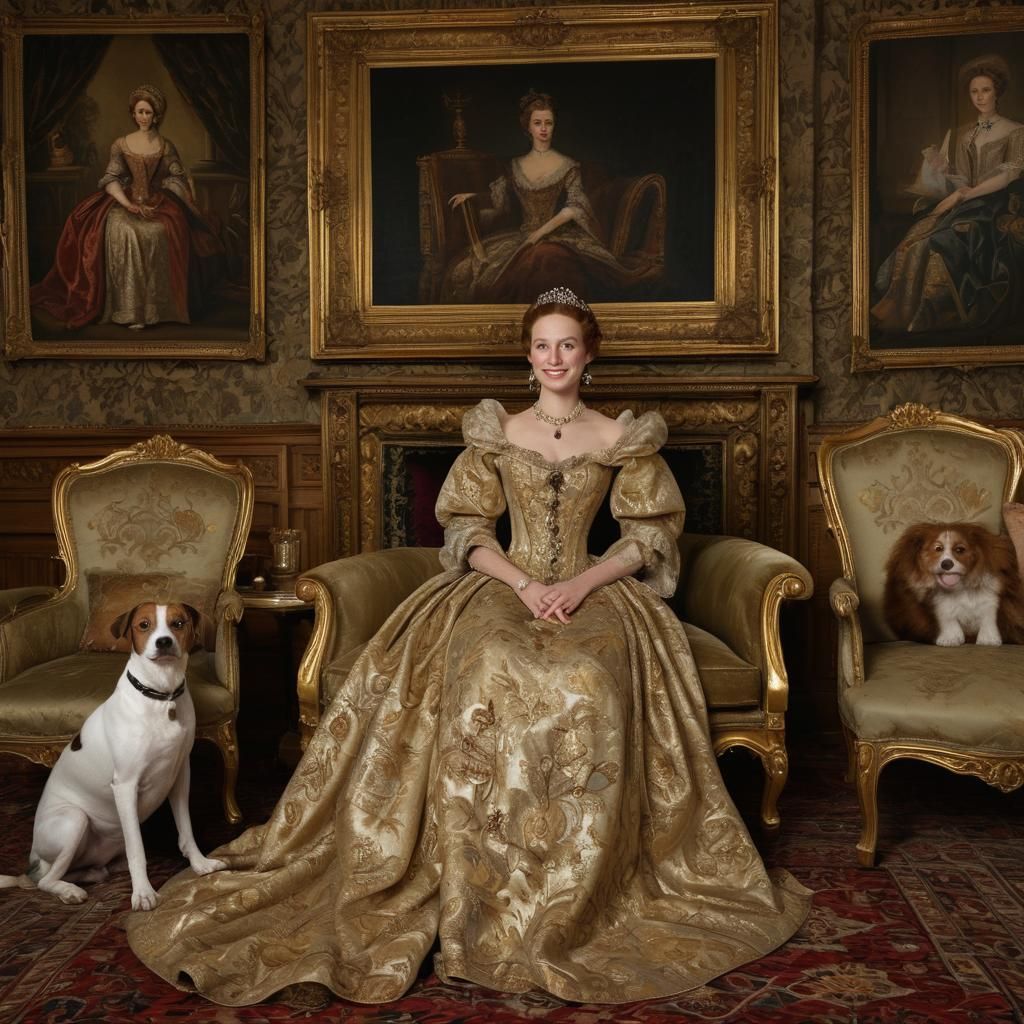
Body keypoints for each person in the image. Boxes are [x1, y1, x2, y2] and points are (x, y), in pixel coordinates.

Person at [126, 286, 810, 1007]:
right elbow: (465, 530)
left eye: (567, 345)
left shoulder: (621, 438)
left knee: (587, 678)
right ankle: (477, 880)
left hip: (597, 587)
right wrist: (522, 584)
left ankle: (572, 884)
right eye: (542, 345)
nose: (554, 358)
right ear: (528, 355)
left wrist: (580, 585)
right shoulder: (495, 433)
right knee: (490, 665)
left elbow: (649, 538)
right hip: (499, 584)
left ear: (590, 354)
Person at [30, 84, 223, 331]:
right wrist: (129, 205)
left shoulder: (166, 146)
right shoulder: (121, 144)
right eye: (140, 112)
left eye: (148, 113)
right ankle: (130, 311)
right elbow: (111, 179)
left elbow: (176, 175)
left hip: (159, 203)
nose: (143, 117)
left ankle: (159, 310)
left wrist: (180, 183)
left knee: (161, 232)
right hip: (124, 200)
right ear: (133, 114)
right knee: (127, 232)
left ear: (157, 116)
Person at [442, 91, 660, 303]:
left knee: (547, 259)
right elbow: (501, 203)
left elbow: (575, 206)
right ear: (528, 126)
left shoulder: (568, 165)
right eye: (538, 123)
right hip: (522, 236)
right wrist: (473, 197)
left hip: (557, 235)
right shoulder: (514, 165)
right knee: (497, 274)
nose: (544, 129)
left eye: (549, 122)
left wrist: (539, 234)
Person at [871, 56, 1024, 336]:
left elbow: (1008, 176)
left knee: (939, 242)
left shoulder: (1015, 131)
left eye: (986, 90)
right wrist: (945, 175)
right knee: (917, 238)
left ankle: (928, 315)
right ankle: (898, 310)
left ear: (997, 91)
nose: (979, 97)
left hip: (991, 207)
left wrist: (966, 195)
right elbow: (954, 181)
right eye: (974, 91)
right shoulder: (959, 134)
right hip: (962, 202)